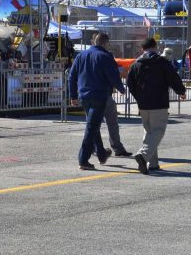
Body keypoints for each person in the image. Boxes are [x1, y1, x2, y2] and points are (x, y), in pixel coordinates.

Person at [126, 37, 187, 174]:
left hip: (143, 105)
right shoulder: (162, 62)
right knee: (158, 131)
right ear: (155, 46)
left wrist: (139, 98)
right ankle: (143, 155)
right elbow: (173, 78)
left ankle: (152, 164)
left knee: (149, 133)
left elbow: (130, 84)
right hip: (158, 103)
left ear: (142, 49)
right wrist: (181, 92)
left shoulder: (136, 64)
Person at [68, 32, 126, 171]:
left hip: (84, 96)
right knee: (91, 128)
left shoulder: (81, 55)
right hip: (99, 95)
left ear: (94, 42)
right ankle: (83, 159)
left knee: (93, 126)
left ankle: (101, 154)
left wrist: (73, 96)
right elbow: (113, 75)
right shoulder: (105, 56)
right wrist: (121, 89)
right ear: (106, 43)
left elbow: (72, 76)